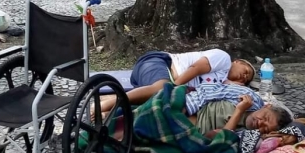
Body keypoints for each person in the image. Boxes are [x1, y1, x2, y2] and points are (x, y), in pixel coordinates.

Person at [100, 50, 256, 113]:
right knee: (163, 89)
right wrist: (174, 87)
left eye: (246, 79)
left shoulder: (221, 83)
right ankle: (110, 102)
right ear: (237, 62)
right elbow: (196, 67)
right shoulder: (224, 59)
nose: (244, 77)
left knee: (161, 106)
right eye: (246, 71)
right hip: (160, 62)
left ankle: (110, 106)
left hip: (157, 80)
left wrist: (233, 85)